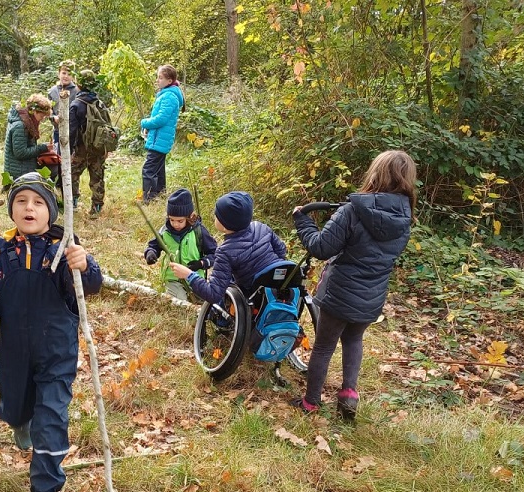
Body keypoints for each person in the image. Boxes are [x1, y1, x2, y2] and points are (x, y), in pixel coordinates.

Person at [0, 172, 103, 492]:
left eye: (38, 202)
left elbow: (91, 286)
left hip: (56, 354)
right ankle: (19, 421)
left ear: (51, 212)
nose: (29, 208)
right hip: (15, 353)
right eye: (21, 201)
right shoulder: (1, 254)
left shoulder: (62, 251)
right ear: (12, 210)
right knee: (16, 404)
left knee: (50, 423)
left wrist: (85, 265)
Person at [289, 150, 415, 420]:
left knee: (324, 347)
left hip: (340, 292)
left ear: (376, 173)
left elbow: (321, 247)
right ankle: (348, 394)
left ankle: (311, 402)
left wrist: (302, 221)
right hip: (373, 295)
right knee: (354, 338)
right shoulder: (405, 216)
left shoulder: (352, 211)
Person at [170, 191, 287, 305]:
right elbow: (281, 251)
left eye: (217, 215)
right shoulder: (261, 227)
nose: (214, 216)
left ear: (225, 225)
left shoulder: (225, 251)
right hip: (279, 283)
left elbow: (213, 294)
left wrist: (189, 275)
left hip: (252, 296)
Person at [143, 188, 217, 301]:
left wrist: (201, 263)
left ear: (189, 217)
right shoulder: (165, 231)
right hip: (172, 278)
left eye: (180, 221)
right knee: (179, 302)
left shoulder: (199, 231)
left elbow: (214, 254)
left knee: (202, 303)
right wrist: (151, 253)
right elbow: (154, 246)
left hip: (194, 277)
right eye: (172, 220)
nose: (175, 224)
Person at [140, 65, 185, 204]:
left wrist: (144, 123)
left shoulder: (169, 97)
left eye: (160, 78)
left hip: (160, 139)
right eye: (158, 77)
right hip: (158, 138)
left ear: (169, 80)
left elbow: (161, 119)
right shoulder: (166, 94)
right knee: (158, 169)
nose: (157, 80)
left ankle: (149, 199)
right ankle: (159, 194)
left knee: (148, 170)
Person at [69, 69, 108, 217]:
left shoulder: (76, 105)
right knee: (97, 178)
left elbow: (71, 131)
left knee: (72, 174)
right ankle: (96, 208)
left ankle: (73, 202)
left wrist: (70, 149)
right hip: (98, 148)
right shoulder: (99, 103)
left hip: (81, 149)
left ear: (78, 84)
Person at [3, 94, 54, 189]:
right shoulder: (20, 126)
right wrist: (42, 148)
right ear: (34, 111)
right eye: (42, 115)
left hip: (23, 168)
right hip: (19, 173)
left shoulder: (27, 122)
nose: (43, 119)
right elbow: (20, 153)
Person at [48, 60, 79, 151]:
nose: (66, 76)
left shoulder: (77, 91)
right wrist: (53, 118)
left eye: (69, 74)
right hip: (58, 131)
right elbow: (48, 112)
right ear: (59, 74)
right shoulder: (52, 91)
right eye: (64, 73)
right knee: (59, 157)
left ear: (73, 77)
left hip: (74, 132)